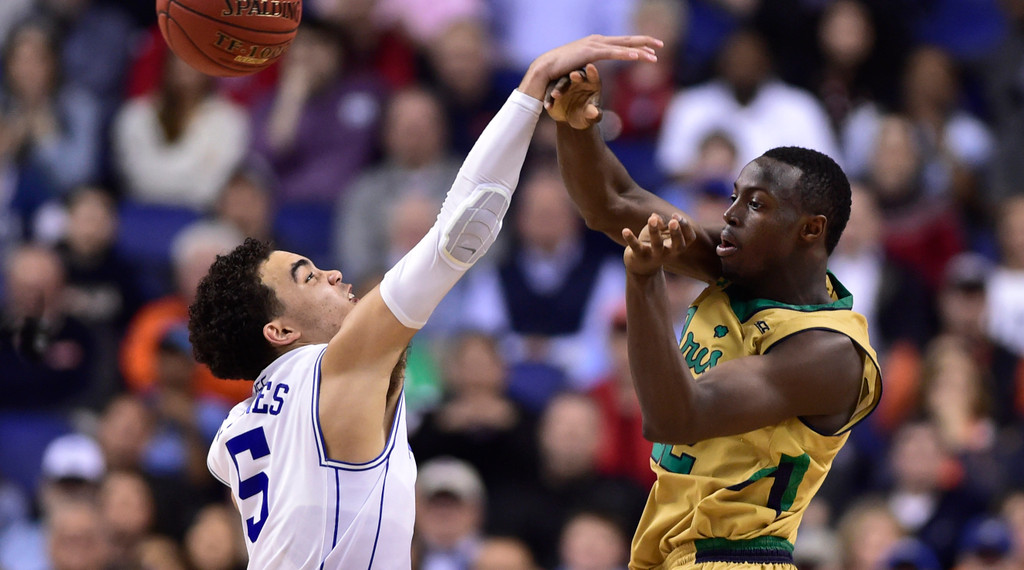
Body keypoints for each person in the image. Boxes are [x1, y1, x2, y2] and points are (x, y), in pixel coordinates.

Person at [187, 35, 661, 568]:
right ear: (280, 331)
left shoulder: (233, 432)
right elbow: (460, 231)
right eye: (308, 277)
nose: (334, 273)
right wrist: (532, 85)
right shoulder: (332, 368)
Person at [546, 64, 882, 568]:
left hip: (736, 556)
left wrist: (643, 284)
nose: (730, 214)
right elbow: (612, 205)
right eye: (734, 197)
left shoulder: (829, 352)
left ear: (810, 230)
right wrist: (576, 125)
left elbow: (675, 417)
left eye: (756, 204)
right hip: (670, 549)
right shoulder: (733, 265)